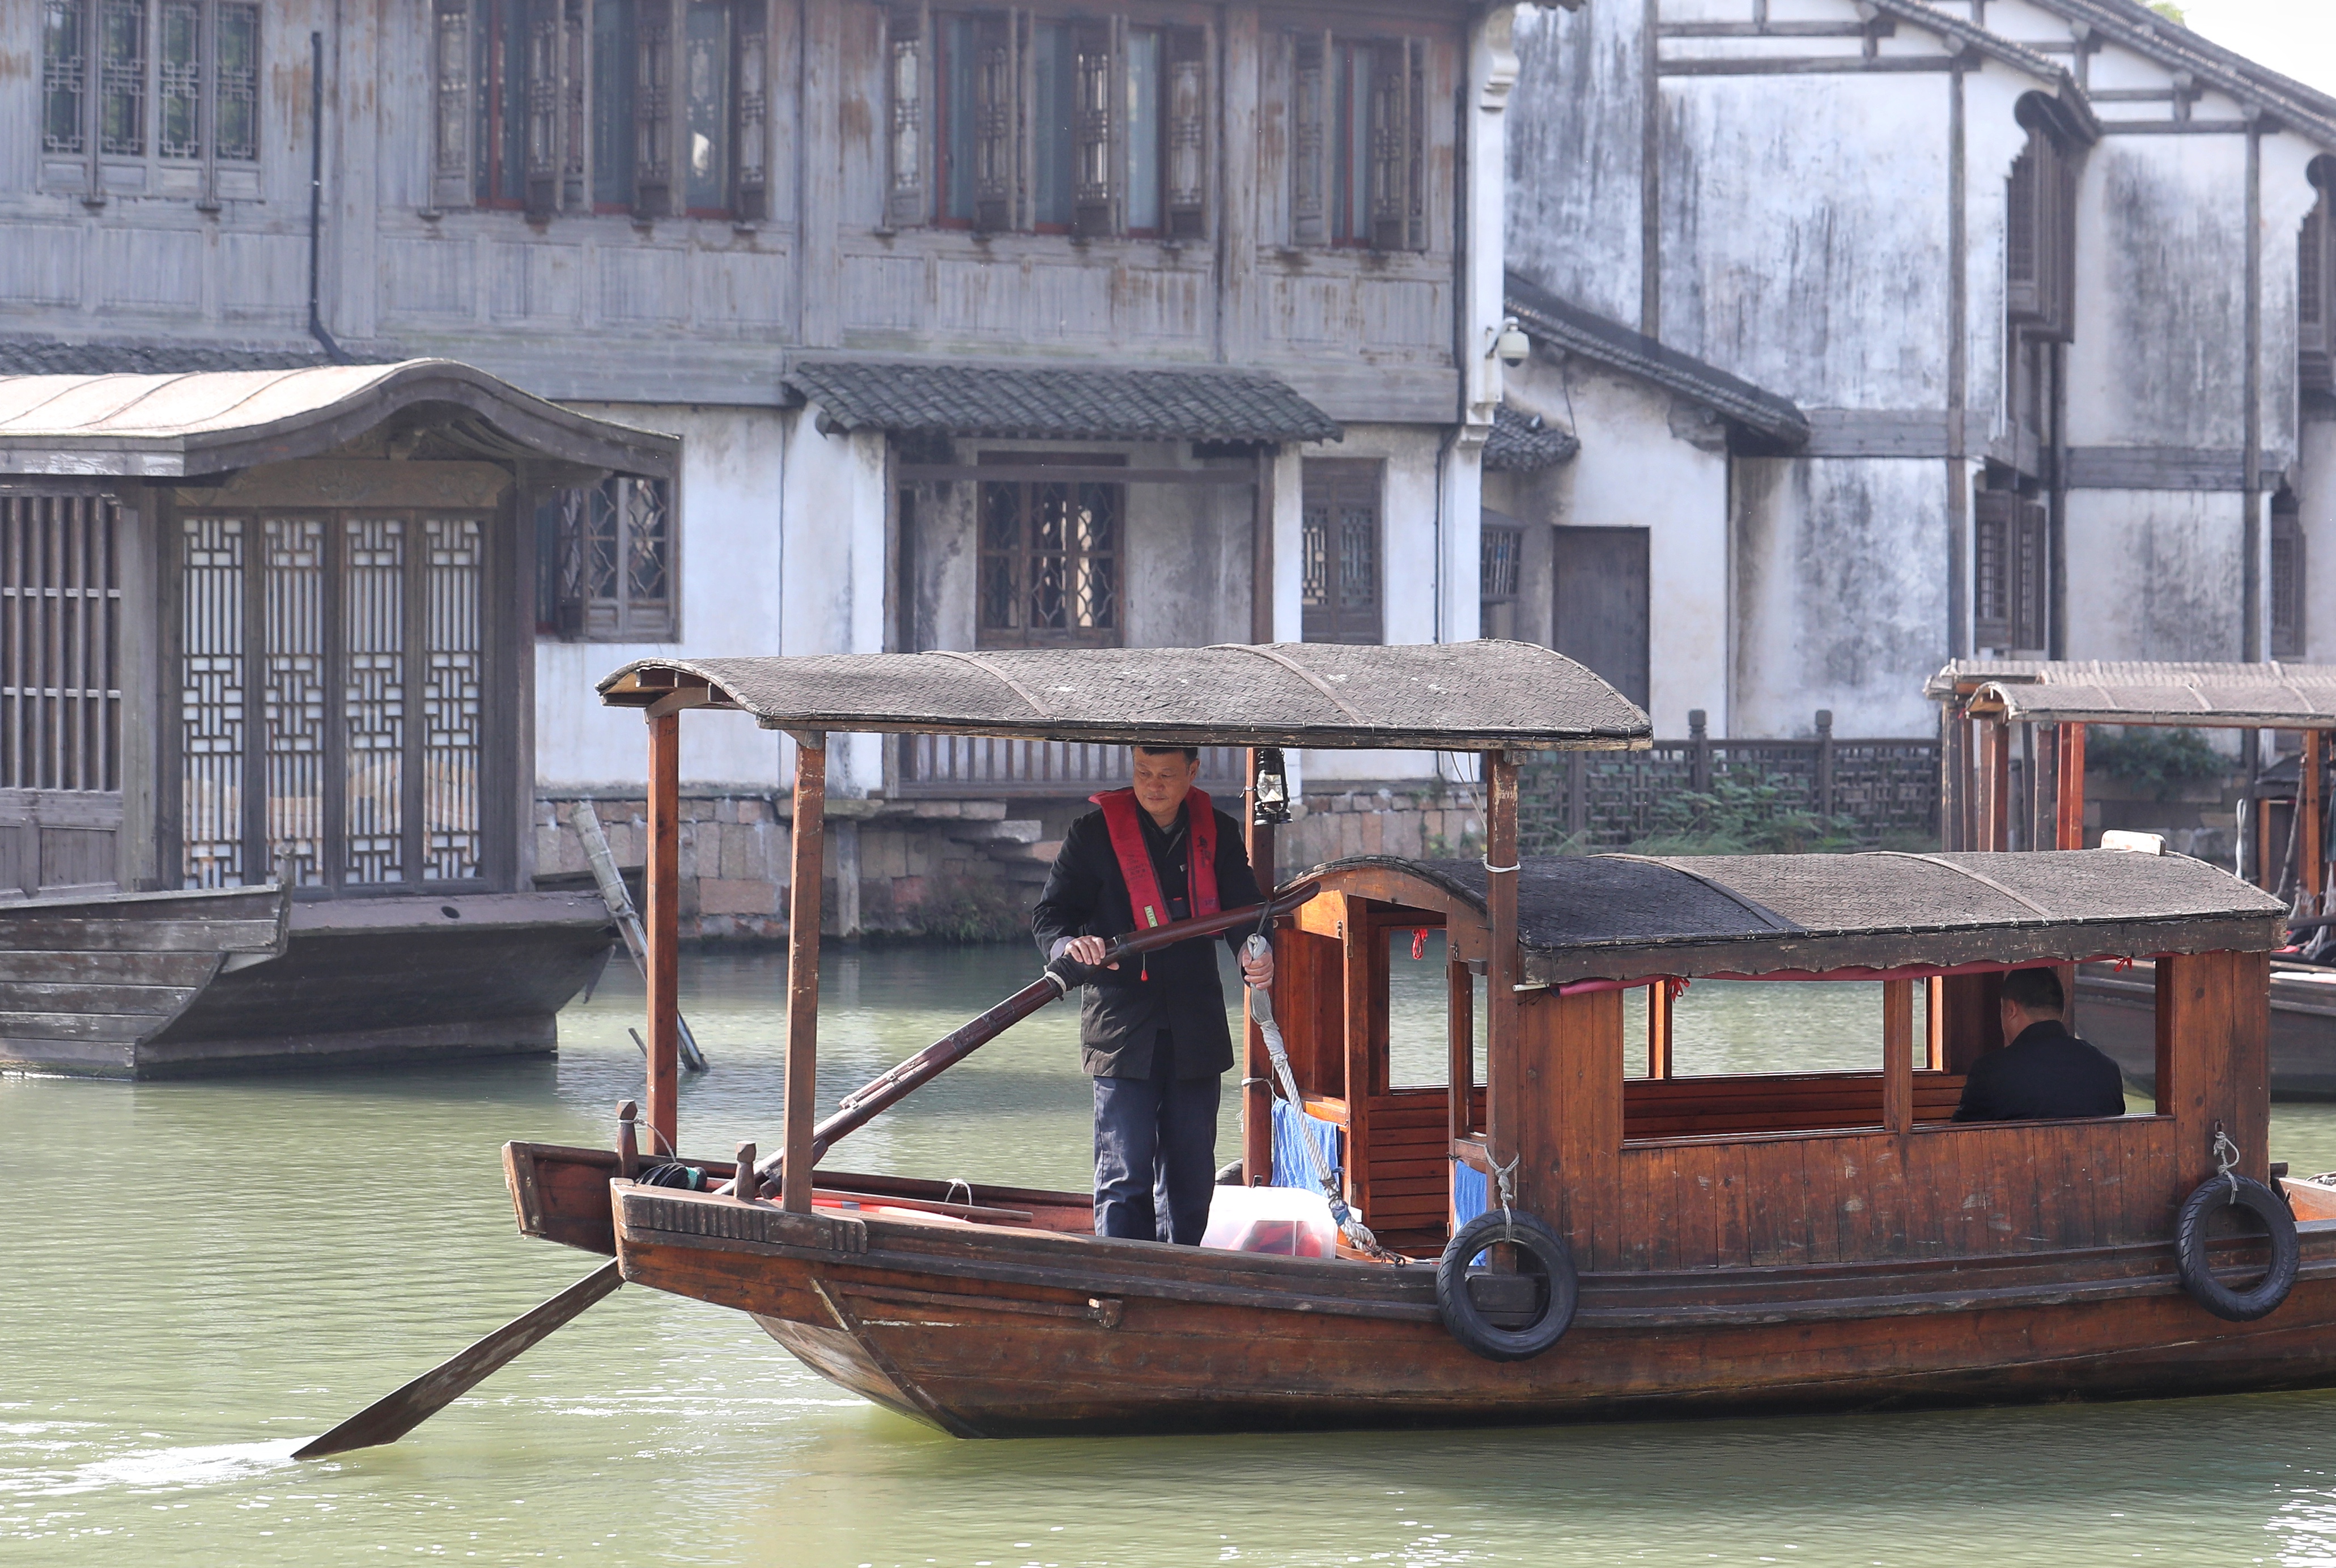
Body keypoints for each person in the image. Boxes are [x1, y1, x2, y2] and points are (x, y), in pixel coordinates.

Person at [1031, 744, 1273, 1244]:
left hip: (1195, 1020)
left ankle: (1181, 1277)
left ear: (1193, 772)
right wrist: (1071, 945)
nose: (1154, 785)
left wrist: (1256, 951)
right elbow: (1049, 916)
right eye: (1143, 773)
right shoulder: (1092, 834)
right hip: (1120, 1025)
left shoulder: (1219, 833)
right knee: (1125, 1171)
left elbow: (1248, 913)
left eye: (1166, 774)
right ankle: (1121, 1280)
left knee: (1190, 1172)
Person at [1951, 966, 2126, 1122]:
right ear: (2061, 1011)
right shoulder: (2106, 1069)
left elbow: (1958, 1141)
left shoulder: (1990, 1071)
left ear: (2012, 1010)